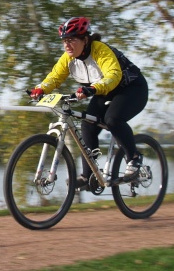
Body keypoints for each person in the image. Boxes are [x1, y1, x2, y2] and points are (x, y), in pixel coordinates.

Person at [29, 16, 148, 188]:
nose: (67, 45)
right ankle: (88, 177)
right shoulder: (68, 58)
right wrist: (40, 89)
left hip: (132, 89)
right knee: (87, 124)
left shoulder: (100, 50)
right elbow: (54, 77)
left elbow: (114, 75)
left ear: (85, 40)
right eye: (64, 41)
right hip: (104, 91)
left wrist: (92, 89)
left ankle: (134, 158)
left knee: (113, 119)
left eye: (71, 40)